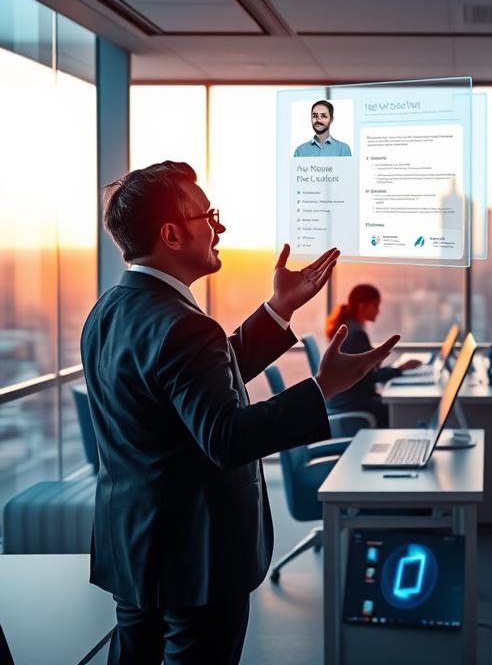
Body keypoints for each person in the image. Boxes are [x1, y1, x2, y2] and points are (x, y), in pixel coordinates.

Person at [81, 161, 399, 664]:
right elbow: (226, 437)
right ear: (171, 234)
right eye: (208, 214)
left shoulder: (109, 309)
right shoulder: (185, 325)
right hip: (197, 555)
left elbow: (190, 384)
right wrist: (324, 387)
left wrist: (278, 309)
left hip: (134, 544)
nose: (219, 226)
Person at [324, 284, 423, 428]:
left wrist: (376, 359)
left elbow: (362, 371)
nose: (378, 311)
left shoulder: (351, 327)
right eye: (375, 305)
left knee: (399, 408)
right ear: (362, 306)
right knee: (403, 412)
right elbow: (366, 377)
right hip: (352, 403)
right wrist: (399, 369)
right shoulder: (357, 333)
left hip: (345, 399)